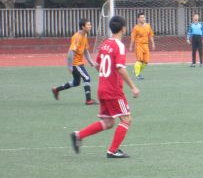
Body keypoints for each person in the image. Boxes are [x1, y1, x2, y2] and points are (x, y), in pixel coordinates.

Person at [70, 15, 140, 158]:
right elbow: (120, 68)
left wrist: (106, 76)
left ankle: (78, 135)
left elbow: (97, 65)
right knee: (126, 119)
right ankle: (112, 150)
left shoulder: (105, 44)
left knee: (108, 122)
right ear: (123, 29)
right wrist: (133, 87)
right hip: (114, 91)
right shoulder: (119, 46)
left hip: (102, 89)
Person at [52, 18, 99, 105]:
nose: (90, 26)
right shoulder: (77, 37)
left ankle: (56, 89)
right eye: (88, 25)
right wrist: (69, 66)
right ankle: (88, 100)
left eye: (90, 24)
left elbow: (85, 51)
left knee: (76, 82)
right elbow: (71, 52)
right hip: (75, 64)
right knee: (87, 78)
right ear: (83, 27)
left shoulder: (85, 35)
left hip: (79, 63)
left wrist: (91, 62)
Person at [129, 12, 155, 81]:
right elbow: (133, 38)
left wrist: (153, 43)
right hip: (138, 45)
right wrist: (131, 46)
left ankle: (136, 71)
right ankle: (137, 75)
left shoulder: (148, 26)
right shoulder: (136, 28)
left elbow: (151, 35)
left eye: (144, 17)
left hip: (146, 45)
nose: (143, 18)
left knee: (146, 61)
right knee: (139, 60)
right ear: (138, 19)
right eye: (141, 17)